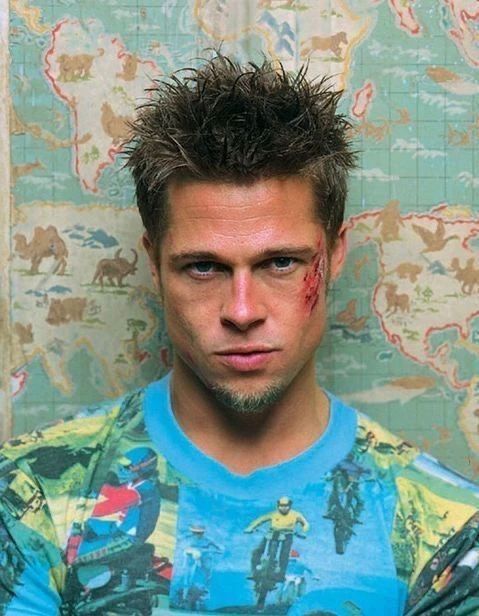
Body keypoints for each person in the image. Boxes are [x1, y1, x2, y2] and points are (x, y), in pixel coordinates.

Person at [0, 53, 479, 615]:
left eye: (281, 263)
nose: (243, 311)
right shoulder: (32, 496)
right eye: (203, 267)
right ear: (154, 266)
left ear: (334, 256)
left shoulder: (445, 534)